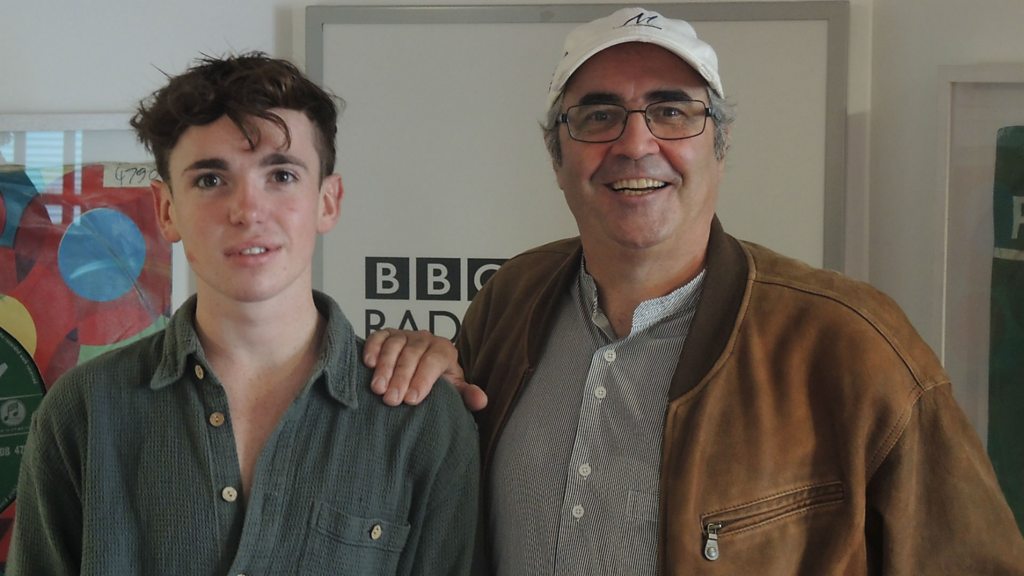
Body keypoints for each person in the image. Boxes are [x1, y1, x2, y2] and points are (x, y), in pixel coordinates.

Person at [365, 7, 1024, 574]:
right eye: (598, 115)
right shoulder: (512, 297)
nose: (636, 143)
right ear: (556, 156)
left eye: (672, 111)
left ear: (720, 144)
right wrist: (426, 375)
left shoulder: (853, 343)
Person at [9, 53, 479, 576]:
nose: (248, 210)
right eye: (211, 180)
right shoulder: (82, 412)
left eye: (281, 174)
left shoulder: (422, 420)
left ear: (328, 201)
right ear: (166, 210)